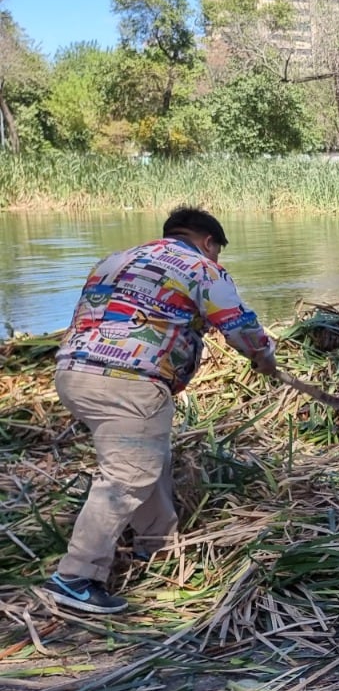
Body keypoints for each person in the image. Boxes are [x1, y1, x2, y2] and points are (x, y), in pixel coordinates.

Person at [43, 208, 278, 615]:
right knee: (128, 474)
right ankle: (77, 576)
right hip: (129, 379)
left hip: (73, 373)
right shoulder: (201, 267)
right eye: (217, 252)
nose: (217, 260)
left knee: (149, 459)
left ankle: (158, 548)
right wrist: (263, 357)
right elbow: (238, 324)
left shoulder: (114, 259)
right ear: (208, 242)